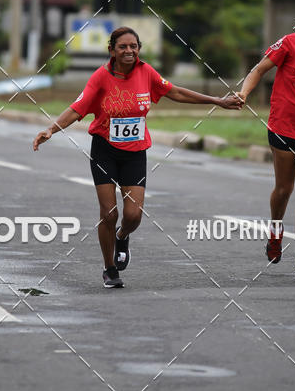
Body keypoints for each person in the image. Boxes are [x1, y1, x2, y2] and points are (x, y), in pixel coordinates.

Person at [33, 26, 244, 288]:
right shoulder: (100, 77)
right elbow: (78, 108)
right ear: (112, 50)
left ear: (139, 49)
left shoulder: (147, 73)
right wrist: (51, 129)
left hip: (135, 153)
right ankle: (109, 268)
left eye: (133, 46)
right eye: (123, 46)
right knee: (109, 213)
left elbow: (175, 92)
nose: (129, 51)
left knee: (133, 216)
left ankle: (122, 236)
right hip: (105, 150)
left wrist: (217, 101)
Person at [237, 0, 295, 277]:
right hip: (284, 124)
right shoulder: (289, 43)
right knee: (283, 189)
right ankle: (275, 232)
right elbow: (259, 69)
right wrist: (244, 93)